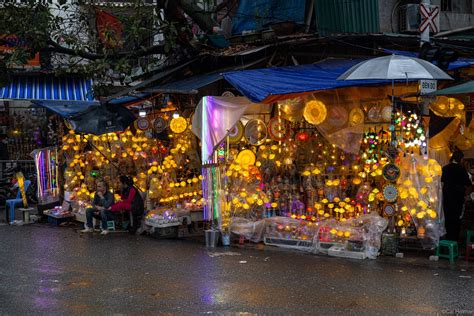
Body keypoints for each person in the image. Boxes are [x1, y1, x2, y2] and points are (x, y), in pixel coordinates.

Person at [441, 150, 472, 241]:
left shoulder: (445, 168)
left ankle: (448, 239)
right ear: (460, 159)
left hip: (447, 198)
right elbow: (468, 184)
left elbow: (441, 183)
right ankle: (454, 241)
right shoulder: (462, 170)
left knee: (447, 219)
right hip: (458, 199)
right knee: (456, 220)